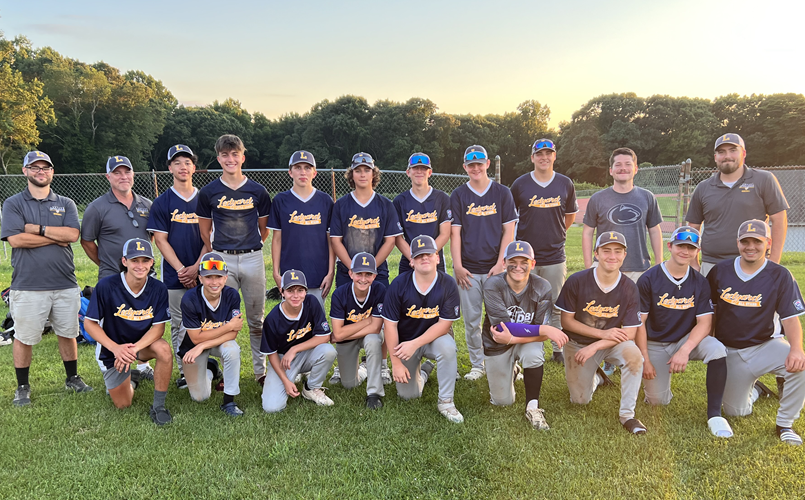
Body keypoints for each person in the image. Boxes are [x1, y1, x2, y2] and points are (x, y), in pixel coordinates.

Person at [2, 151, 92, 406]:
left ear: (52, 172)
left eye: (46, 167)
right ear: (25, 171)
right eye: (35, 167)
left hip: (64, 282)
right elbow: (16, 239)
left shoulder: (65, 203)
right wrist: (55, 235)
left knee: (68, 332)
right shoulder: (14, 203)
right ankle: (22, 386)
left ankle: (72, 378)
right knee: (24, 336)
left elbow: (73, 235)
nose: (41, 171)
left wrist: (38, 229)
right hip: (29, 285)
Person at [708, 219, 805, 445]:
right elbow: (709, 313)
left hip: (765, 345)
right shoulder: (720, 271)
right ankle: (758, 390)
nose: (750, 246)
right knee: (736, 412)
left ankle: (785, 424)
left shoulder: (780, 275)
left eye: (757, 241)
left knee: (800, 365)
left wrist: (797, 349)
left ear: (768, 243)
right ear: (738, 243)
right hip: (730, 351)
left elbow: (790, 320)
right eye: (745, 241)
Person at [635, 226, 732, 438]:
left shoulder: (700, 281)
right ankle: (655, 388)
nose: (685, 251)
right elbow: (639, 323)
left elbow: (705, 323)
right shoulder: (649, 278)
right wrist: (645, 358)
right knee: (657, 401)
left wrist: (685, 350)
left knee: (716, 349)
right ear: (670, 246)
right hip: (655, 342)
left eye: (691, 247)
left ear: (697, 251)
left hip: (685, 340)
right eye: (680, 246)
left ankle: (714, 414)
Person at [197, 134, 272, 384]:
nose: (231, 159)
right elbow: (204, 230)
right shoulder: (209, 191)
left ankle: (260, 373)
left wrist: (252, 247)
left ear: (243, 156)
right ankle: (227, 373)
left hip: (252, 257)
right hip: (221, 259)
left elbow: (264, 228)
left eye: (235, 154)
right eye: (225, 154)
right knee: (221, 320)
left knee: (256, 320)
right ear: (218, 158)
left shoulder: (258, 190)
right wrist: (215, 251)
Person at [556, 231, 647, 435]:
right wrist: (601, 335)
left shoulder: (629, 287)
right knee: (580, 400)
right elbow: (566, 321)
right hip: (578, 343)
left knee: (634, 356)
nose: (612, 256)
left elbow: (631, 332)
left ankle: (627, 415)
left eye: (617, 251)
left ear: (624, 255)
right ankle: (597, 377)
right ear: (596, 253)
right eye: (606, 251)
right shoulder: (577, 280)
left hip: (611, 344)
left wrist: (598, 343)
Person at [83, 238, 173, 425]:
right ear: (124, 261)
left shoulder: (159, 288)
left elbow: (159, 328)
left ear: (151, 262)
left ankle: (158, 406)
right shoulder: (106, 286)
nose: (140, 265)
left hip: (140, 347)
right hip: (112, 350)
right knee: (123, 404)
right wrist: (117, 349)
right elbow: (90, 324)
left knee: (164, 349)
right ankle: (132, 379)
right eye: (134, 260)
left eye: (144, 260)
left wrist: (134, 350)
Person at [329, 152, 402, 385]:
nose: (362, 174)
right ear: (352, 174)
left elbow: (390, 241)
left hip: (378, 272)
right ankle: (343, 365)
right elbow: (336, 240)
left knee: (382, 318)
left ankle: (381, 365)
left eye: (366, 170)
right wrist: (354, 269)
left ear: (373, 173)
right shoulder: (341, 204)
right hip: (346, 270)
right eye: (358, 170)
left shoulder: (385, 205)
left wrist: (369, 269)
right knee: (349, 316)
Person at [80, 155, 155, 379]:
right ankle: (109, 369)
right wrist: (107, 264)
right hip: (111, 276)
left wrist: (139, 265)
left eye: (127, 172)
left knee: (141, 321)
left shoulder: (146, 205)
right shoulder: (97, 207)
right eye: (117, 173)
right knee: (109, 324)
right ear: (108, 176)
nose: (123, 176)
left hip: (142, 277)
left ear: (133, 174)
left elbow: (149, 238)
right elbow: (87, 241)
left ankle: (142, 367)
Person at [482, 241, 569, 429]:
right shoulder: (493, 284)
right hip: (497, 344)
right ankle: (512, 371)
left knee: (533, 353)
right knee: (502, 401)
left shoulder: (542, 287)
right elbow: (502, 327)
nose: (519, 267)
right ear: (504, 263)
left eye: (524, 261)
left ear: (533, 264)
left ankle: (533, 406)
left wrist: (515, 339)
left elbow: (538, 333)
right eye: (513, 261)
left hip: (523, 340)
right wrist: (545, 330)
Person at [450, 145, 517, 380]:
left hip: (495, 268)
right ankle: (478, 364)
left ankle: (505, 361)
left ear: (487, 164)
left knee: (501, 317)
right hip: (468, 269)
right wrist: (457, 265)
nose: (476, 167)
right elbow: (455, 233)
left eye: (480, 163)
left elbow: (509, 230)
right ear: (465, 167)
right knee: (471, 321)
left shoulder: (502, 192)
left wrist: (501, 263)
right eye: (471, 164)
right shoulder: (459, 195)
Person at [510, 139, 578, 364]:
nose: (544, 157)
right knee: (526, 302)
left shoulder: (565, 183)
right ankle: (527, 344)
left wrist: (555, 233)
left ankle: (557, 348)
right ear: (532, 158)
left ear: (554, 156)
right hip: (526, 256)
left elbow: (569, 217)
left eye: (548, 153)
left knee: (556, 302)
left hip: (554, 254)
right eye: (539, 154)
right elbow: (511, 218)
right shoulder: (520, 184)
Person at [382, 235, 463, 423]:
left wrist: (415, 344)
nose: (424, 258)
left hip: (434, 340)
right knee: (408, 395)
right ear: (411, 261)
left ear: (438, 257)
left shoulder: (448, 284)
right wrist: (396, 363)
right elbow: (390, 326)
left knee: (448, 347)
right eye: (419, 255)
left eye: (429, 254)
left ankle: (446, 402)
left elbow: (444, 324)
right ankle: (425, 372)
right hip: (405, 341)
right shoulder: (399, 284)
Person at [685, 133, 789, 276]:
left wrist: (774, 261)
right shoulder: (703, 187)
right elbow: (693, 227)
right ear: (715, 157)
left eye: (733, 150)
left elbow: (779, 220)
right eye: (721, 152)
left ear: (743, 153)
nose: (727, 156)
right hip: (712, 264)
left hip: (753, 263)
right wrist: (694, 264)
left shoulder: (764, 179)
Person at [147, 144, 206, 390]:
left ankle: (207, 365)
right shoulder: (162, 201)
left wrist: (196, 267)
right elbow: (160, 239)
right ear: (170, 167)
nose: (183, 167)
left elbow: (210, 238)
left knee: (208, 321)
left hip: (205, 272)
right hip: (174, 275)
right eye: (177, 162)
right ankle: (185, 370)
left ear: (194, 167)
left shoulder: (205, 199)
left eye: (187, 162)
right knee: (179, 323)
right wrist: (183, 270)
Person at [260, 270, 337, 413]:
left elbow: (325, 336)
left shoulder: (311, 302)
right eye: (290, 290)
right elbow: (271, 354)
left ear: (306, 291)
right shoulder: (272, 319)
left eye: (300, 290)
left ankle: (311, 388)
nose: (296, 295)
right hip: (283, 361)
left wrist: (294, 349)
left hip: (305, 353)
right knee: (271, 407)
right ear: (282, 292)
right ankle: (291, 378)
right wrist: (285, 381)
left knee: (328, 351)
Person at [582, 147, 663, 283]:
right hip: (605, 267)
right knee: (605, 305)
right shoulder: (598, 199)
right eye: (618, 165)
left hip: (638, 269)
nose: (623, 168)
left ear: (636, 169)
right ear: (611, 171)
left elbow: (655, 231)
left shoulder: (647, 197)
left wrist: (659, 264)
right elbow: (587, 233)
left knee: (637, 304)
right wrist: (588, 266)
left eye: (628, 164)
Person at [179, 252, 244, 417]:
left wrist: (202, 345)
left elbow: (233, 335)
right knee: (200, 397)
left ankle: (229, 401)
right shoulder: (190, 298)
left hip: (208, 344)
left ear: (225, 277)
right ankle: (211, 369)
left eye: (218, 276)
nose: (214, 282)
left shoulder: (232, 295)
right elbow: (195, 338)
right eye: (208, 277)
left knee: (232, 349)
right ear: (200, 278)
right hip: (192, 345)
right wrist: (228, 325)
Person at [268, 150, 334, 308]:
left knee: (316, 319)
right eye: (297, 167)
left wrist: (331, 272)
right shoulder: (280, 200)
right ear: (290, 172)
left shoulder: (325, 201)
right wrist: (276, 272)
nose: (303, 172)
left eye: (307, 167)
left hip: (318, 272)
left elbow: (331, 240)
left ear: (315, 172)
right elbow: (276, 239)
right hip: (289, 271)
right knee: (292, 322)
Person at [330, 253, 386, 409]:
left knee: (374, 339)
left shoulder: (380, 290)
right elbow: (338, 333)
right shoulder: (340, 293)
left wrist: (343, 334)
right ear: (350, 273)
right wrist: (367, 320)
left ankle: (374, 393)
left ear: (374, 275)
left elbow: (375, 328)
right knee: (349, 384)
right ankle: (364, 369)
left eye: (368, 274)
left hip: (367, 335)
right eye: (359, 273)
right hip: (347, 341)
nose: (363, 278)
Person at [393, 152, 452, 274]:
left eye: (423, 168)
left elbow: (445, 234)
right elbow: (398, 237)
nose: (419, 171)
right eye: (415, 168)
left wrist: (429, 256)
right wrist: (413, 257)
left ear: (429, 173)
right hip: (409, 259)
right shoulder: (400, 201)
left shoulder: (441, 198)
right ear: (408, 172)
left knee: (438, 293)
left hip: (435, 258)